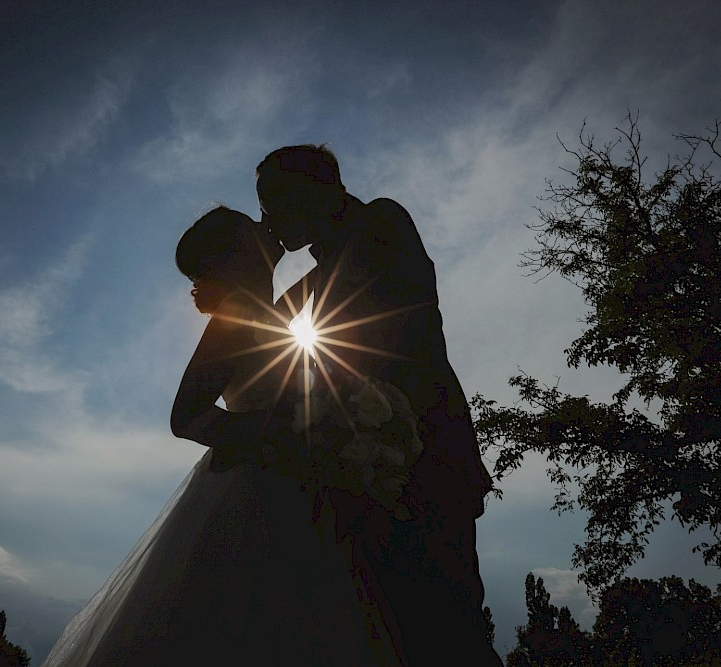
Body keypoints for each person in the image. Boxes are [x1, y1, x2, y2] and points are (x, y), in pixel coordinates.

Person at [41, 206, 397, 666]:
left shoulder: (264, 313)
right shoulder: (237, 315)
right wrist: (266, 435)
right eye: (254, 224)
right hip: (256, 489)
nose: (266, 224)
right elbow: (184, 416)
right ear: (241, 252)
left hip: (293, 482)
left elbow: (305, 292)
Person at [256, 144, 502, 665]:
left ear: (314, 188)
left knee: (448, 632)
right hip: (373, 461)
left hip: (422, 456)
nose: (268, 219)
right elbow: (264, 325)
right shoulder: (329, 263)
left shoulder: (380, 223)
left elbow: (380, 337)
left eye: (273, 202)